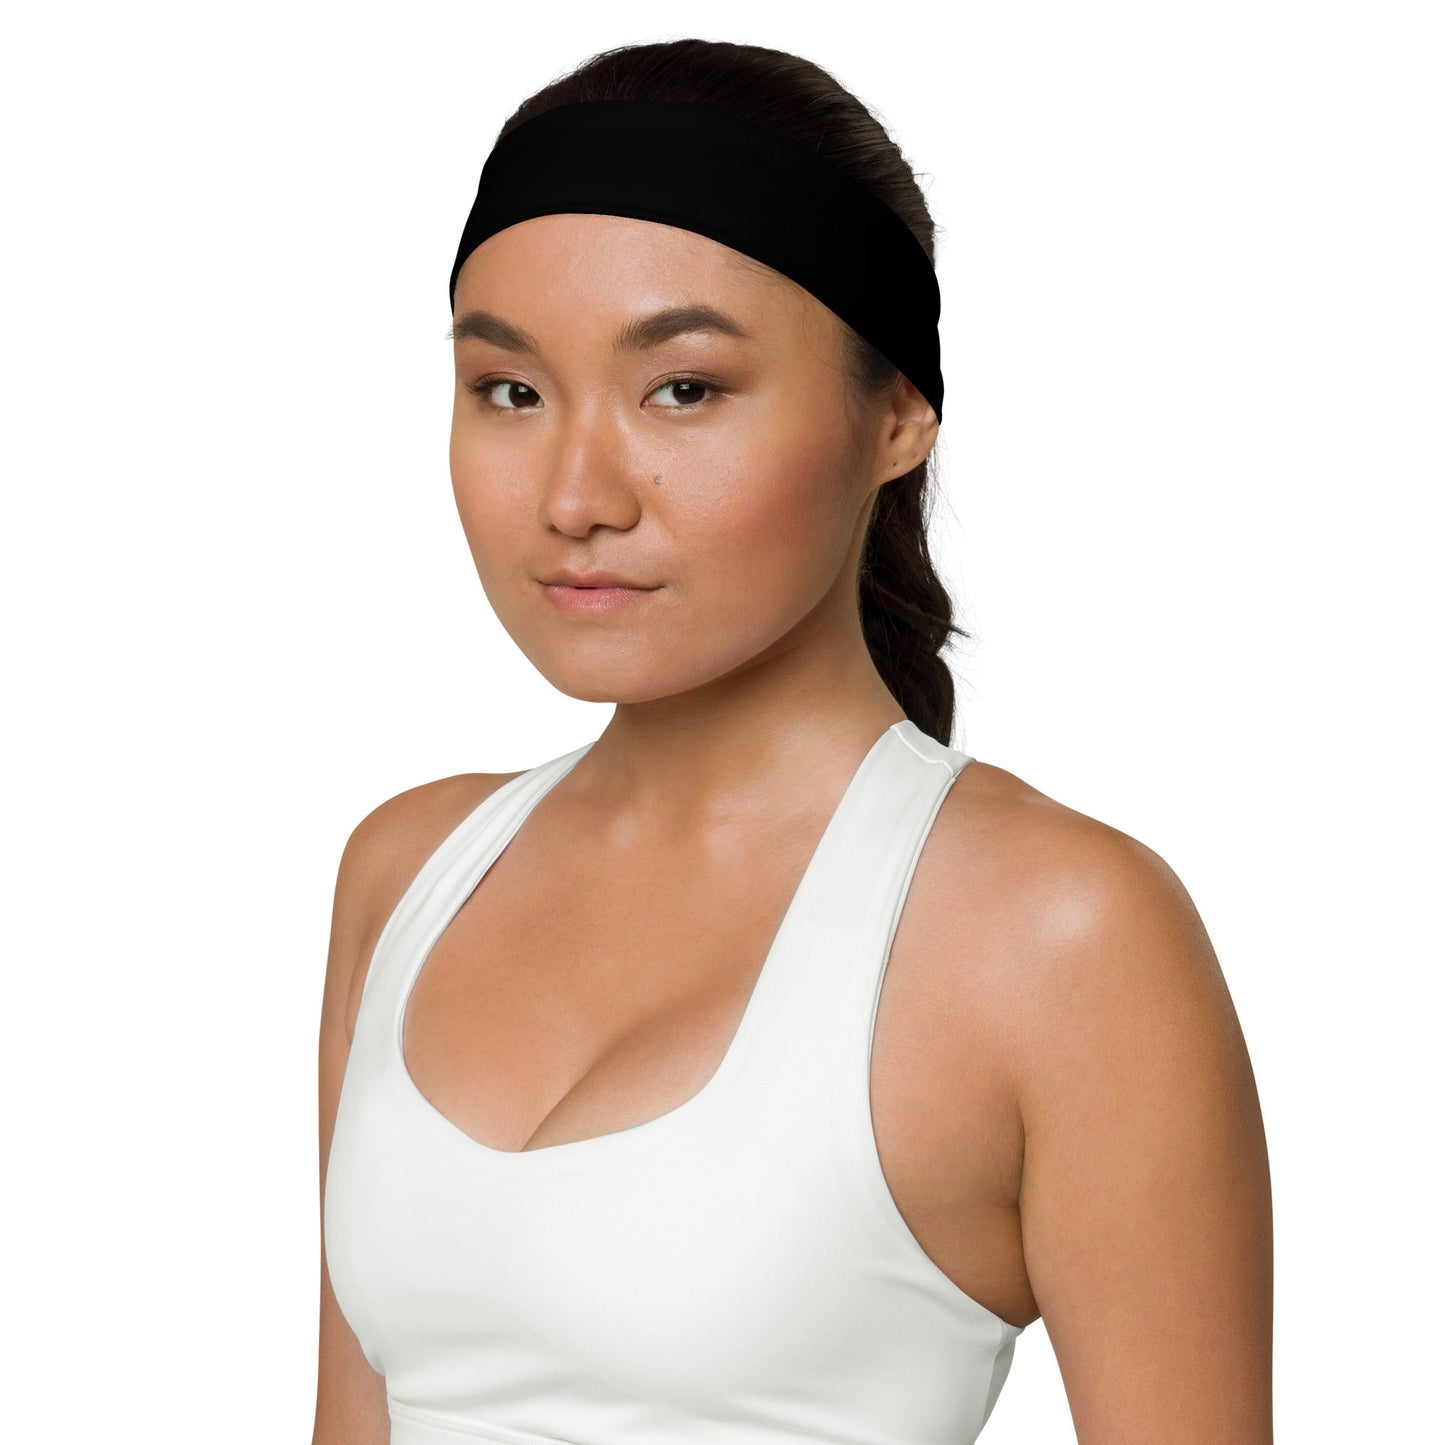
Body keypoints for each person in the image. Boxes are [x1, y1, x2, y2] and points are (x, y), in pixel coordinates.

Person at [312, 37, 1273, 1445]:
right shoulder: (410, 871)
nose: (576, 495)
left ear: (897, 417)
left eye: (684, 389)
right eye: (510, 390)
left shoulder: (1056, 936)